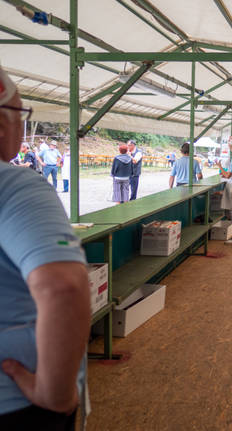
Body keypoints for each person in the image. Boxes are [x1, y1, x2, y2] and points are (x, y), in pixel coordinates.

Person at [0, 64, 90, 430]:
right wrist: (55, 394)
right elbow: (62, 285)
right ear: (6, 121)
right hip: (16, 402)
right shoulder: (15, 185)